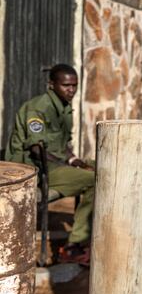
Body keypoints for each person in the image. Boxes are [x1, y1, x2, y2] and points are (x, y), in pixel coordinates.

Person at [6, 63, 94, 265]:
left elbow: (61, 144)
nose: (71, 90)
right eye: (66, 85)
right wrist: (69, 166)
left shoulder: (63, 106)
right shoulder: (40, 108)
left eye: (74, 85)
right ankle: (74, 247)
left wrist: (75, 161)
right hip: (32, 170)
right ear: (51, 84)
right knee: (95, 180)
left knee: (102, 167)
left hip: (54, 165)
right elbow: (38, 150)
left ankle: (98, 234)